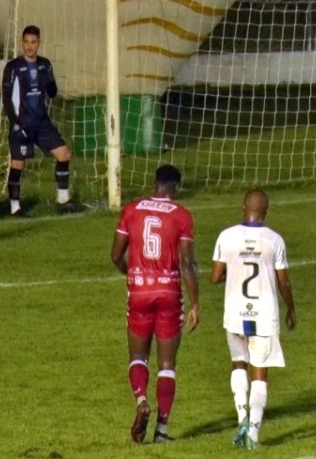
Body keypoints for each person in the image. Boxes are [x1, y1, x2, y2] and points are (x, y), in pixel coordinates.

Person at [110, 164, 199, 444]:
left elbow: (115, 255)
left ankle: (140, 401)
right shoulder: (182, 215)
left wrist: (132, 273)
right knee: (167, 364)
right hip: (168, 293)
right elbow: (186, 263)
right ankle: (161, 430)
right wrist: (195, 303)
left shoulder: (132, 209)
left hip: (138, 292)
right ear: (176, 186)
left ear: (154, 183)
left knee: (137, 357)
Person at [210, 188, 297, 450]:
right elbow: (284, 282)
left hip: (235, 311)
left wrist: (234, 271)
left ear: (242, 206)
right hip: (265, 313)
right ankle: (254, 435)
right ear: (266, 210)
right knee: (260, 371)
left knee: (238, 363)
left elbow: (215, 277)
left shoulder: (226, 236)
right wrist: (291, 308)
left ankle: (241, 420)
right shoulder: (274, 240)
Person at [1, 25, 77, 216]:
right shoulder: (13, 67)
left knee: (64, 154)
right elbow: (7, 99)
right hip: (22, 122)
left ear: (39, 43)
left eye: (33, 42)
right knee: (18, 164)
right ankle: (14, 207)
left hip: (42, 122)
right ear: (21, 42)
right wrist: (16, 124)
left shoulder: (45, 64)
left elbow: (52, 92)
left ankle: (63, 199)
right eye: (26, 42)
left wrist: (50, 85)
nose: (29, 46)